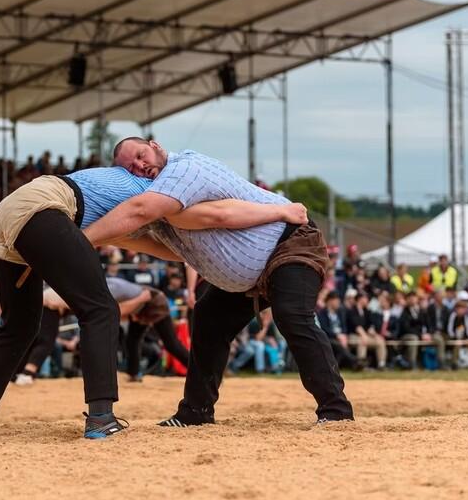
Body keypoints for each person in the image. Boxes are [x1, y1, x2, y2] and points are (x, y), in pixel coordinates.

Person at [0, 158, 308, 438]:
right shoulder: (159, 189)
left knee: (19, 325)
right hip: (44, 208)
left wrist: (190, 252)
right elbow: (213, 216)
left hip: (9, 216)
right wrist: (276, 212)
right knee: (101, 309)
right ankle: (100, 418)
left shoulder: (126, 199)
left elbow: (158, 245)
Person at [84, 137, 354, 426]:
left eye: (140, 155)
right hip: (253, 269)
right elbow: (173, 249)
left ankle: (336, 411)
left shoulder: (184, 169)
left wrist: (81, 239)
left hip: (290, 242)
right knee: (209, 317)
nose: (140, 166)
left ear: (156, 145)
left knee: (292, 315)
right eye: (130, 167)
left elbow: (218, 214)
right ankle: (195, 412)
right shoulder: (161, 203)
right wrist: (113, 237)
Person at [316, 291, 359, 370]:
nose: (338, 303)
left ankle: (337, 366)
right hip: (329, 337)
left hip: (342, 337)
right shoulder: (322, 313)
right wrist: (337, 336)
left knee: (342, 345)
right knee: (337, 345)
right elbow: (324, 328)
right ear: (330, 301)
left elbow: (344, 326)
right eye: (336, 301)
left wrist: (344, 335)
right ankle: (355, 361)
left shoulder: (340, 312)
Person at [398, 292, 432, 370]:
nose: (412, 300)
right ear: (407, 300)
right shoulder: (404, 311)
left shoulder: (422, 311)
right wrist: (420, 335)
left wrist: (428, 334)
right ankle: (412, 364)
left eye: (414, 297)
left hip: (422, 335)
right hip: (407, 335)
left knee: (438, 338)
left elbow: (429, 324)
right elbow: (406, 328)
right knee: (414, 338)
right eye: (410, 298)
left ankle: (440, 364)